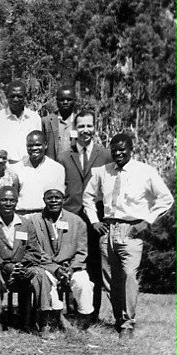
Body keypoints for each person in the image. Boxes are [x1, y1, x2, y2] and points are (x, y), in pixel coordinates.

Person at [83, 133, 173, 339]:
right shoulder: (102, 172)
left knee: (129, 277)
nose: (118, 153)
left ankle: (128, 322)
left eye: (123, 149)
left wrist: (146, 221)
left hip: (131, 231)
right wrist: (94, 220)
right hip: (108, 230)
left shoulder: (145, 171)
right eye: (114, 149)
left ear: (132, 149)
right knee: (111, 280)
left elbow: (165, 199)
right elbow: (87, 197)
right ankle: (118, 320)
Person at [59, 111, 109, 318]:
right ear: (75, 129)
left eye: (89, 126)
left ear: (94, 128)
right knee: (71, 262)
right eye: (81, 126)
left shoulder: (105, 154)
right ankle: (71, 309)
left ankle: (92, 313)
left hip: (96, 219)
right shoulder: (64, 156)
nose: (85, 130)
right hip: (71, 216)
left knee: (95, 264)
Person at [22, 189, 93, 333]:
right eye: (50, 198)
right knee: (46, 283)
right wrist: (55, 268)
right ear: (44, 200)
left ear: (64, 199)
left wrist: (71, 268)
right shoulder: (34, 221)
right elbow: (34, 250)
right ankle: (57, 318)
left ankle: (83, 320)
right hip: (46, 267)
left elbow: (82, 251)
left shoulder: (76, 221)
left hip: (71, 267)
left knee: (83, 283)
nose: (53, 201)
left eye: (57, 198)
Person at [0, 185, 28, 336]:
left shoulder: (26, 224)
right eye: (4, 200)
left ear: (17, 202)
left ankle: (36, 320)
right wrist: (5, 265)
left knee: (37, 272)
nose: (8, 204)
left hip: (21, 268)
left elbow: (33, 250)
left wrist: (21, 265)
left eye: (11, 200)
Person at [0, 81, 40, 162]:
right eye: (12, 96)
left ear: (25, 96)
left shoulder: (34, 118)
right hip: (5, 167)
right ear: (6, 96)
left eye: (19, 96)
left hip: (29, 168)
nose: (15, 99)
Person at [14, 131, 66, 215]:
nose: (34, 148)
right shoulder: (16, 168)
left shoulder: (57, 169)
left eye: (38, 145)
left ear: (45, 145)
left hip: (46, 216)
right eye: (30, 145)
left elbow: (59, 198)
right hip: (22, 215)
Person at [42, 86, 78, 161]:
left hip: (74, 168)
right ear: (57, 100)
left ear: (74, 100)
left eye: (69, 99)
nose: (65, 102)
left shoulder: (80, 121)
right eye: (62, 100)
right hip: (53, 168)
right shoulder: (47, 121)